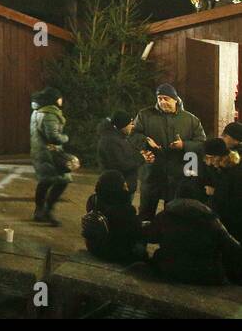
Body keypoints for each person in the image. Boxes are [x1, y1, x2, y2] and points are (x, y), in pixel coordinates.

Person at [132, 83, 207, 221]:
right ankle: (140, 242)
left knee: (172, 216)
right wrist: (145, 140)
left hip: (177, 177)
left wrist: (184, 145)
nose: (162, 101)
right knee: (145, 214)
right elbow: (133, 134)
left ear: (175, 99)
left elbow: (201, 144)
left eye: (166, 98)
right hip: (151, 174)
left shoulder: (191, 120)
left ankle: (168, 242)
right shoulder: (144, 115)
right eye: (159, 98)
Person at [145, 181, 242, 285]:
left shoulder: (166, 215)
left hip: (171, 268)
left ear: (176, 196)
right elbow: (232, 246)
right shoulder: (211, 220)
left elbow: (150, 236)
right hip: (206, 273)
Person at [29, 86, 73, 226]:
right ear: (54, 100)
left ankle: (40, 211)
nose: (61, 100)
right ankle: (47, 210)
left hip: (40, 152)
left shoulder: (38, 112)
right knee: (63, 180)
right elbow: (53, 136)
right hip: (49, 154)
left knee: (45, 181)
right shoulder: (49, 114)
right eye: (59, 98)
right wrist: (65, 138)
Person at [81, 170, 145, 263]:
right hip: (114, 251)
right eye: (123, 182)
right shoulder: (125, 209)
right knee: (141, 249)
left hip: (93, 245)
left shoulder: (93, 200)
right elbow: (134, 232)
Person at [203, 137, 242, 244]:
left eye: (210, 158)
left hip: (233, 225)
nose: (209, 162)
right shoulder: (223, 168)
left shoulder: (234, 172)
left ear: (218, 156)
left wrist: (214, 192)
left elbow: (234, 200)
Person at [96, 110, 143, 197]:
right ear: (122, 125)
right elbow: (122, 164)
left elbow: (128, 155)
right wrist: (141, 157)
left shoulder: (120, 138)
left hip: (123, 185)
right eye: (131, 123)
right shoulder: (111, 141)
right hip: (117, 188)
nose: (132, 126)